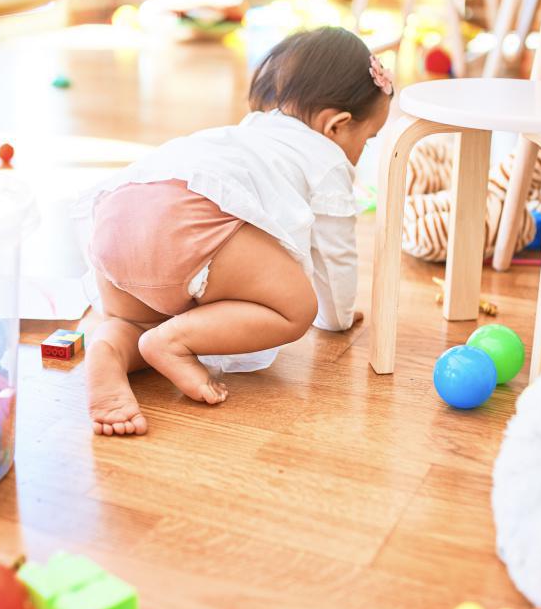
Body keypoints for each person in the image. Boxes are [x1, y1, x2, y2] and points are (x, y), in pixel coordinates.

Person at [73, 26, 393, 435]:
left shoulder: (249, 130)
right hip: (184, 221)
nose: (361, 153)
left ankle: (110, 349)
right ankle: (172, 342)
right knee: (296, 305)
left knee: (139, 324)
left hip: (117, 217)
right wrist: (338, 318)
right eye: (367, 140)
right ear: (336, 125)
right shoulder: (326, 159)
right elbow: (335, 256)